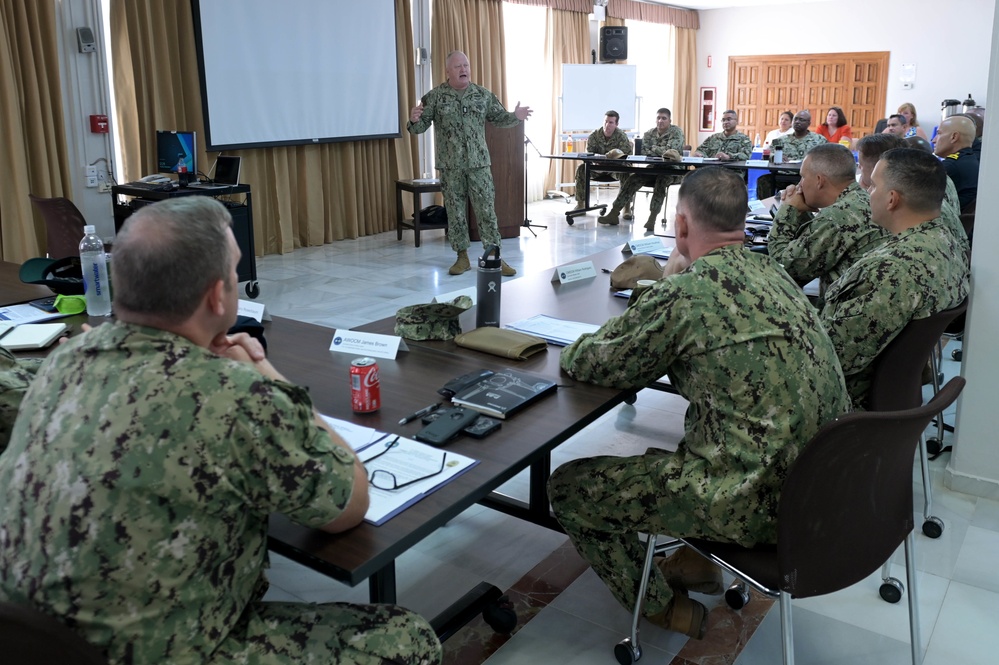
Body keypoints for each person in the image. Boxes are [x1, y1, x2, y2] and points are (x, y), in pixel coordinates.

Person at [0, 197, 442, 665]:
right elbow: (347, 505)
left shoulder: (65, 358)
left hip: (32, 639)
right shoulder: (236, 396)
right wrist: (264, 371)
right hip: (156, 654)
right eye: (233, 272)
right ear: (218, 296)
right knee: (406, 639)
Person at [550, 167, 849, 641]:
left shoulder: (687, 292)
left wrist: (668, 285)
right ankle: (698, 565)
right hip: (819, 486)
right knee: (676, 451)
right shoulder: (774, 271)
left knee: (569, 489)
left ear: (682, 226)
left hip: (753, 498)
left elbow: (594, 361)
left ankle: (664, 608)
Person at [821, 149, 970, 408]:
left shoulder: (891, 270)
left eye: (873, 186)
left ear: (892, 199)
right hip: (897, 393)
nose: (867, 192)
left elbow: (832, 357)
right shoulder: (946, 240)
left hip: (842, 400)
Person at [408, 50, 531, 277]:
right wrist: (414, 119)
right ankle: (461, 257)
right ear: (448, 71)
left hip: (479, 165)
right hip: (451, 166)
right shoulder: (434, 97)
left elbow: (499, 118)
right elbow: (418, 128)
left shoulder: (482, 95)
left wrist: (515, 115)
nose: (464, 69)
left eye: (466, 65)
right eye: (458, 66)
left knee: (486, 211)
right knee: (455, 213)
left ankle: (494, 256)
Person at [769, 143, 889, 297]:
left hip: (840, 314)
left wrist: (788, 209)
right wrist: (801, 211)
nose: (800, 185)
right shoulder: (862, 199)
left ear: (819, 180)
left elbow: (783, 269)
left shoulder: (836, 217)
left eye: (803, 177)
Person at [596, 107, 685, 231]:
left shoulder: (676, 132)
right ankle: (614, 213)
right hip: (653, 168)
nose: (660, 121)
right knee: (633, 178)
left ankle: (652, 218)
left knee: (662, 179)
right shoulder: (649, 133)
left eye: (664, 118)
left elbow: (670, 153)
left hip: (673, 170)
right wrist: (660, 150)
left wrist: (653, 149)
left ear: (670, 120)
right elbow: (643, 151)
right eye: (658, 118)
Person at [572, 110, 634, 214]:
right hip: (597, 168)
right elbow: (589, 154)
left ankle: (626, 207)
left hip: (615, 169)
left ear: (616, 124)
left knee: (627, 173)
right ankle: (581, 204)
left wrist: (613, 161)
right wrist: (595, 161)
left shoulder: (621, 136)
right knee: (581, 169)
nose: (607, 125)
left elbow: (627, 156)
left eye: (611, 122)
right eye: (605, 121)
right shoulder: (594, 135)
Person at [933, 114, 980, 211]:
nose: (934, 140)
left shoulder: (950, 167)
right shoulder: (970, 160)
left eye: (939, 133)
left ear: (954, 137)